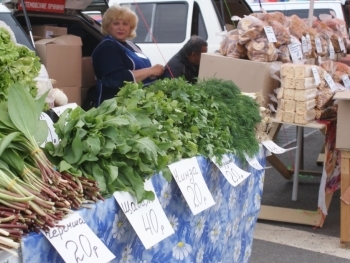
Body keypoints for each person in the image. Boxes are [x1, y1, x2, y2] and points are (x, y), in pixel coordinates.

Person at [91, 4, 164, 105]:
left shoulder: (132, 45)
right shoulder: (107, 47)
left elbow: (145, 70)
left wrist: (155, 74)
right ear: (108, 26)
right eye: (116, 23)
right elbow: (116, 79)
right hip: (115, 107)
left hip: (138, 102)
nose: (121, 27)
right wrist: (150, 71)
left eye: (125, 24)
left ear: (131, 28)